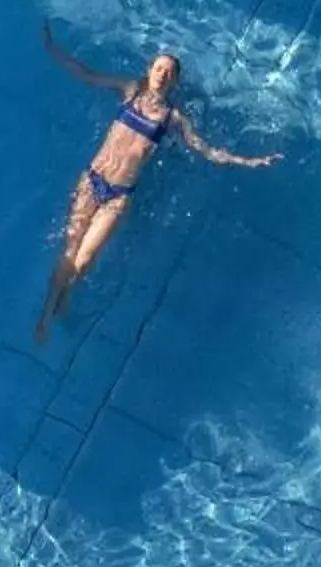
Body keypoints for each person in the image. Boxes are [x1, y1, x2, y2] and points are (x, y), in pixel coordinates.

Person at [34, 22, 277, 341]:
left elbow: (206, 150)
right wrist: (53, 48)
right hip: (92, 182)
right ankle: (45, 316)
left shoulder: (173, 118)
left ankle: (67, 293)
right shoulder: (130, 90)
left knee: (85, 258)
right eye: (159, 67)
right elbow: (87, 74)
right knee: (70, 248)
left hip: (119, 195)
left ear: (174, 81)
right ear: (149, 71)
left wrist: (248, 161)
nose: (162, 74)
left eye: (169, 72)